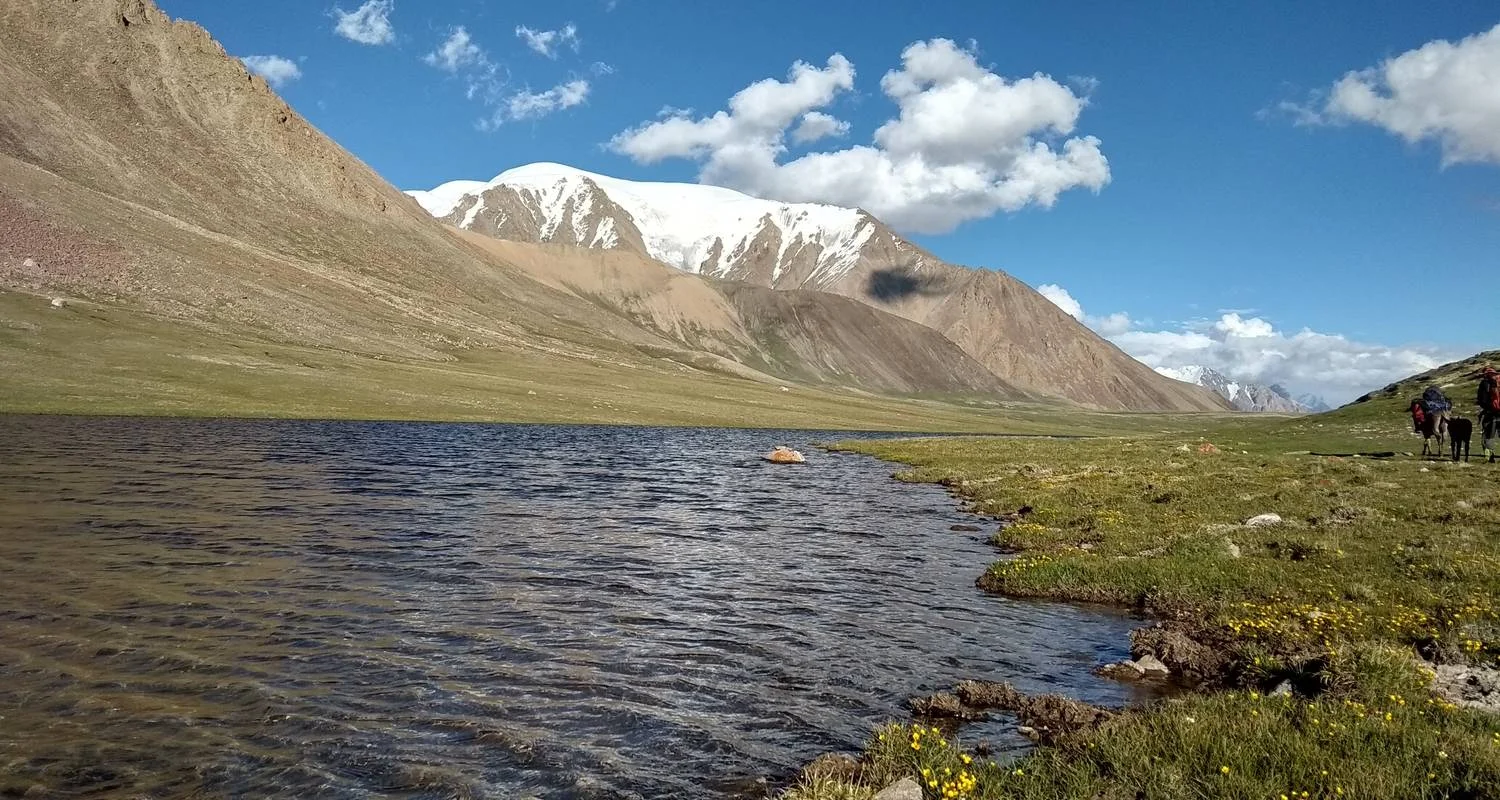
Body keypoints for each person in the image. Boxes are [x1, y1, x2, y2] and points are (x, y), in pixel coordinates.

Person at [1480, 366, 1500, 463]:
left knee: (1488, 436)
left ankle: (1490, 457)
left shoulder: (1484, 383)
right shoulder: (1498, 381)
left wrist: (1486, 409)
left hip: (1491, 414)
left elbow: (1482, 400)